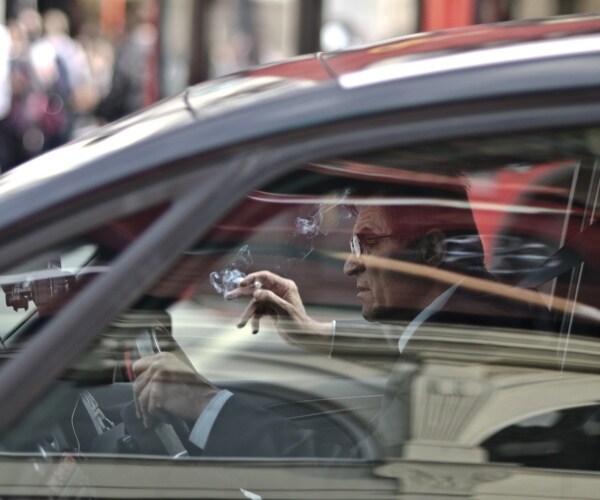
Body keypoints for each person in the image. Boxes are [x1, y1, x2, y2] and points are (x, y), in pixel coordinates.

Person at [132, 177, 545, 457]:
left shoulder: (461, 360)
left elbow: (348, 476)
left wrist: (207, 405)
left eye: (367, 244)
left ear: (431, 251)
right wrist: (315, 334)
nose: (351, 267)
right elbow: (415, 345)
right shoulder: (476, 310)